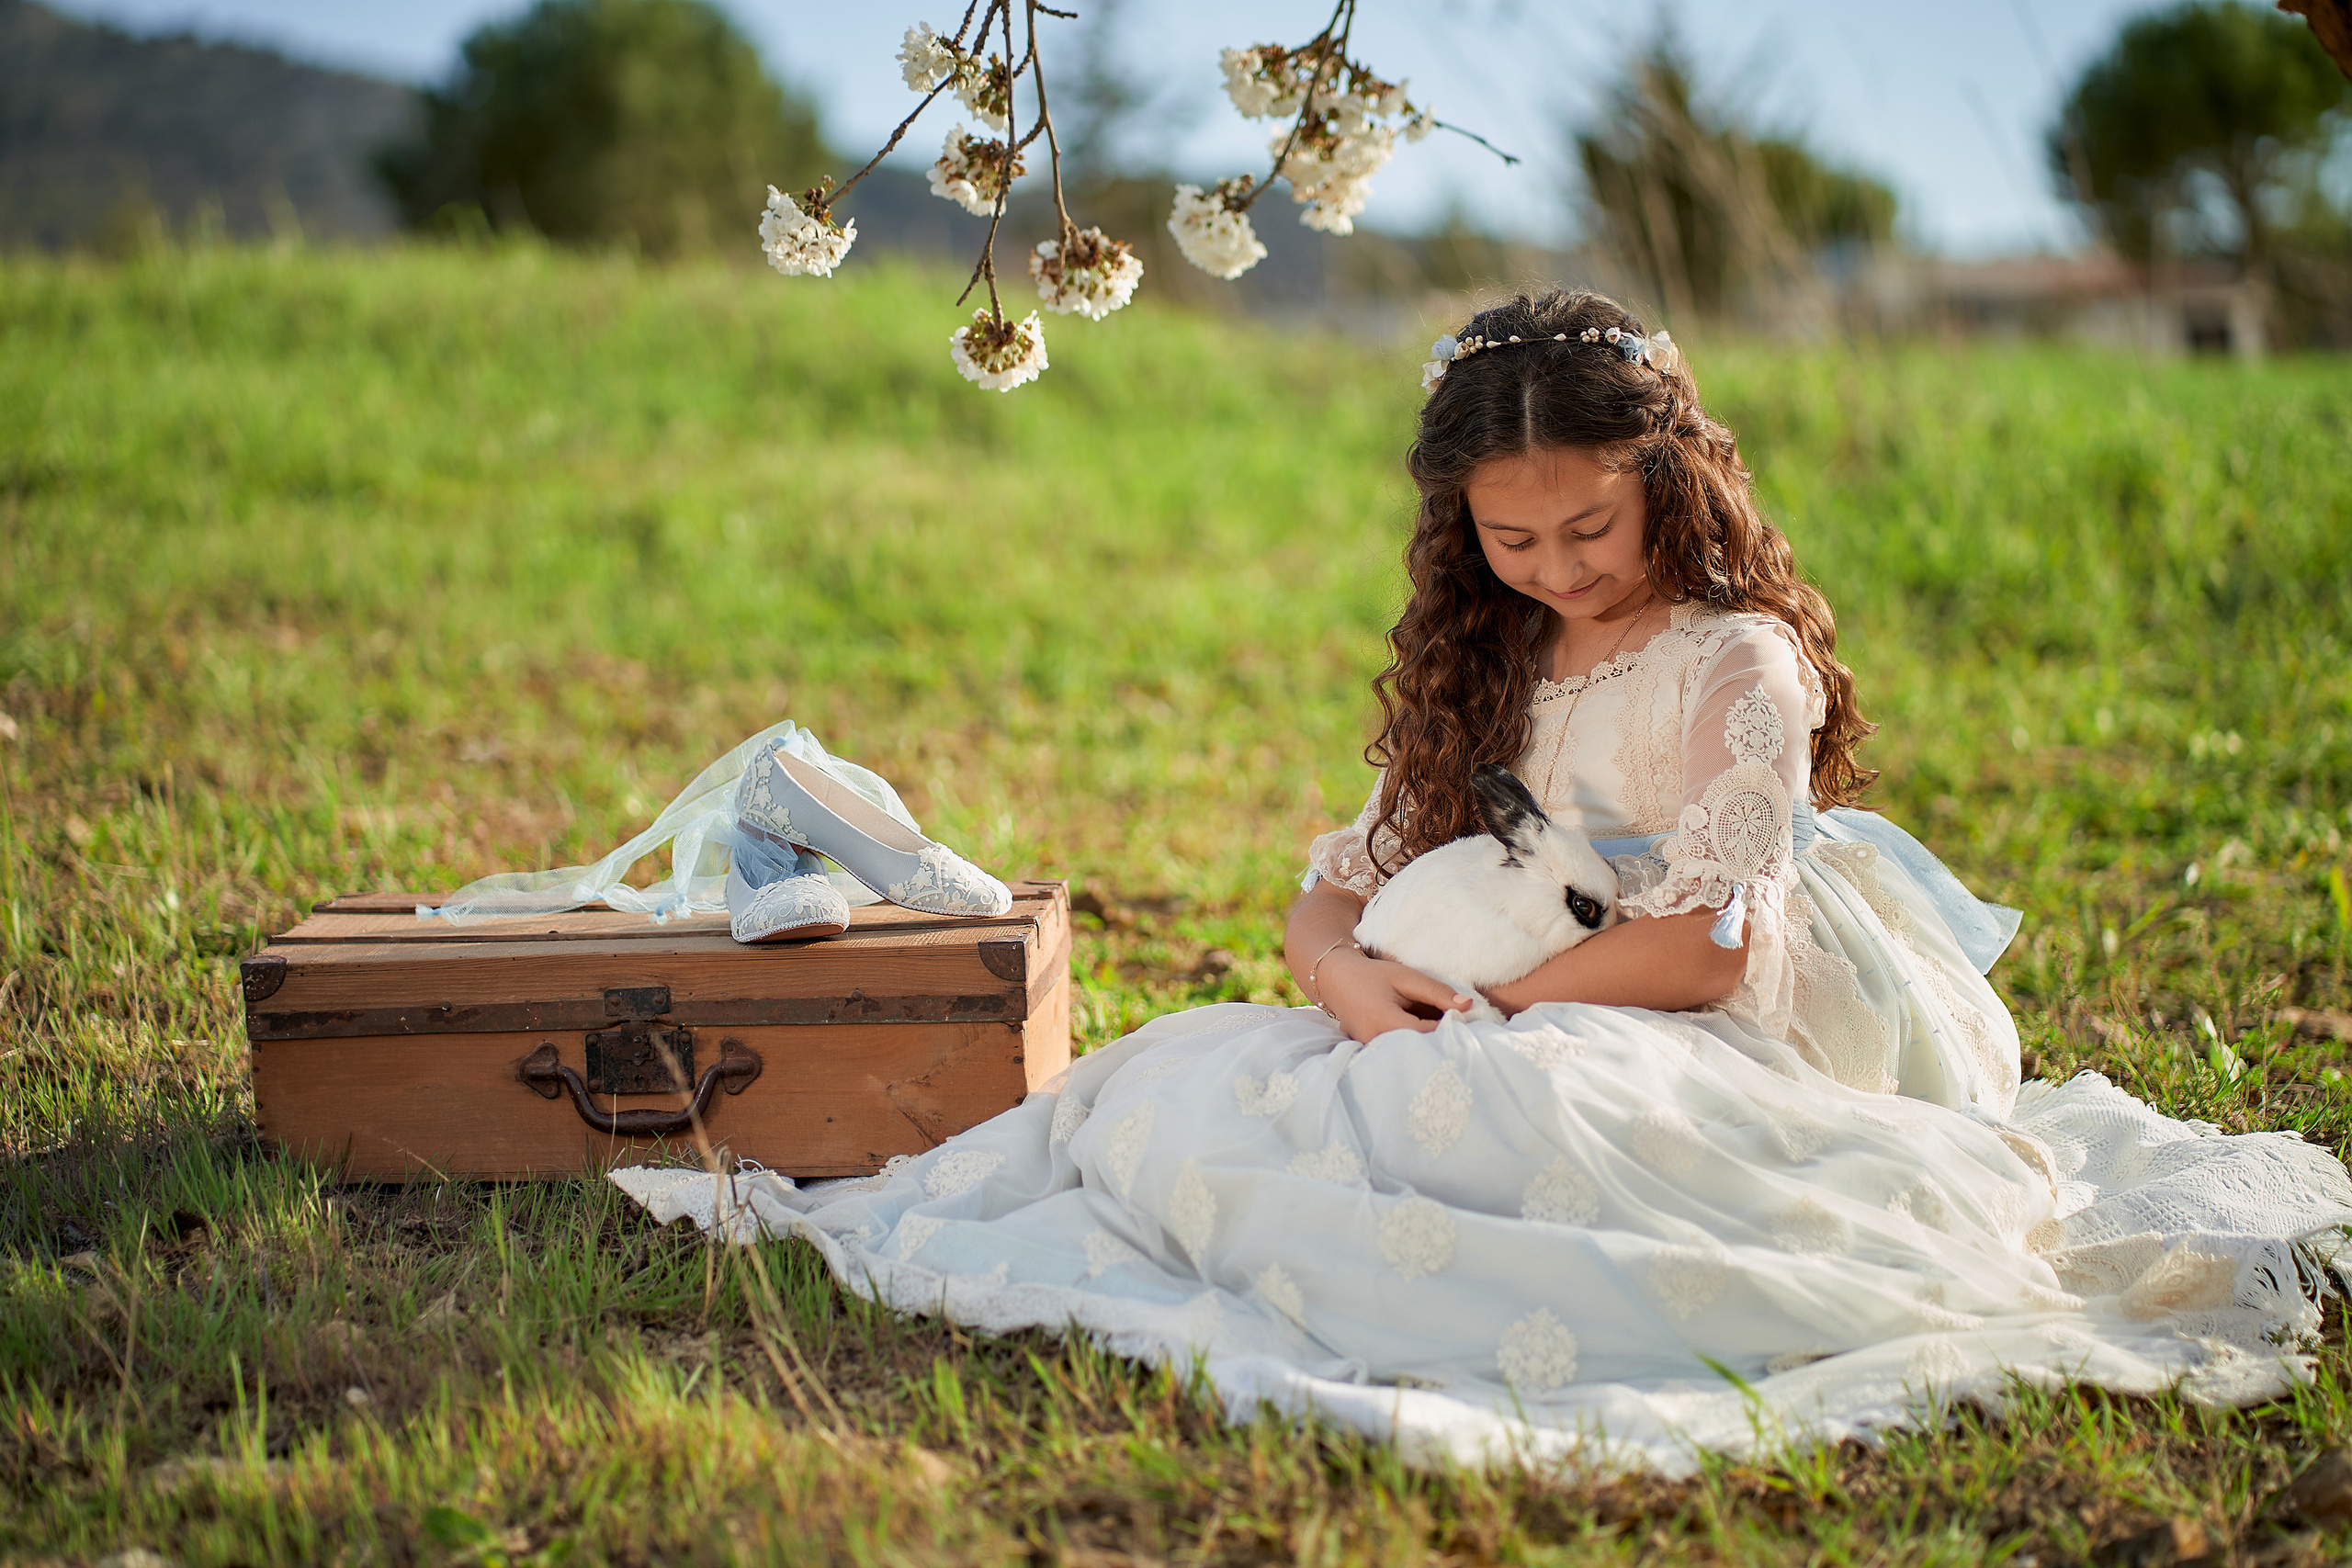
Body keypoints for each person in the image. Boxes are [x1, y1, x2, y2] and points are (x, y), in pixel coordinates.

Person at [616, 289, 2352, 1475]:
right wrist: (1360, 987)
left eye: (1590, 530)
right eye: (1512, 543)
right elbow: (1334, 887)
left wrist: (1499, 1015)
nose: (1557, 570)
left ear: (1673, 483)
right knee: (1199, 1079)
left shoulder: (1733, 661)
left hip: (1719, 994)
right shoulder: (1500, 652)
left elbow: (1698, 952)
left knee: (1525, 1121)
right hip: (1510, 975)